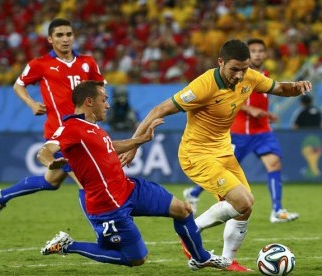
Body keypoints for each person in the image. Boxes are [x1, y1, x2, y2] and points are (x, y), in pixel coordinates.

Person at [120, 39, 312, 271]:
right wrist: (134, 145)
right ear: (220, 62)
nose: (240, 76)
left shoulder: (249, 76)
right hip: (197, 154)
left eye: (244, 69)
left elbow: (280, 88)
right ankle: (191, 230)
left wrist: (297, 86)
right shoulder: (203, 86)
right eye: (234, 70)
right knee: (243, 201)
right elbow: (158, 110)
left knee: (245, 208)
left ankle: (227, 261)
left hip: (223, 150)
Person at [37, 81, 230, 271]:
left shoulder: (92, 126)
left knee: (183, 210)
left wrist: (140, 140)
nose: (108, 104)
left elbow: (109, 146)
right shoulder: (70, 127)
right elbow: (44, 151)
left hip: (129, 189)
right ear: (89, 101)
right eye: (104, 100)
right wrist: (50, 162)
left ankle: (201, 258)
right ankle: (68, 245)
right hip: (108, 205)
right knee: (137, 258)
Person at [0, 18, 105, 221]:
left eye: (68, 34)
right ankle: (103, 233)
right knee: (88, 183)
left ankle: (2, 196)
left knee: (51, 182)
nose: (65, 39)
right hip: (61, 134)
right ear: (50, 39)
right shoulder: (40, 64)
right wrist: (32, 104)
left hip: (85, 132)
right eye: (59, 35)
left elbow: (100, 90)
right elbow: (18, 85)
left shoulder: (88, 62)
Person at [183, 38, 299, 223]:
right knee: (223, 173)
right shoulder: (233, 75)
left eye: (261, 50)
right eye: (254, 51)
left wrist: (267, 113)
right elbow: (226, 100)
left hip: (262, 131)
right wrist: (249, 109)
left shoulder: (264, 76)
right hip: (238, 132)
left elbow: (277, 90)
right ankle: (194, 192)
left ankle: (277, 210)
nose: (258, 54)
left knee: (274, 164)